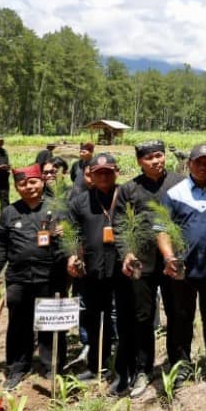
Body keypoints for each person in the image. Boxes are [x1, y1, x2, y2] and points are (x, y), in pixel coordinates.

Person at [0, 164, 67, 389]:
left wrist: (63, 237)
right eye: (23, 183)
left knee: (50, 323)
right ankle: (17, 367)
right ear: (16, 187)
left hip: (51, 277)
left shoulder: (57, 209)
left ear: (41, 182)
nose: (29, 187)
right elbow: (1, 246)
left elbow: (72, 242)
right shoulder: (10, 212)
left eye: (33, 182)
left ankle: (53, 367)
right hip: (19, 279)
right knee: (18, 325)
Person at [157, 144, 206, 388]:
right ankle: (183, 365)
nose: (203, 166)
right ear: (189, 163)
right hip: (183, 269)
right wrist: (169, 257)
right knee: (181, 317)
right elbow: (162, 230)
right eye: (198, 162)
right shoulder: (175, 193)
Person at [113, 140, 183, 398]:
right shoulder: (129, 189)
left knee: (177, 312)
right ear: (139, 162)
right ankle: (143, 368)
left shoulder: (179, 182)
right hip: (142, 262)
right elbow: (119, 224)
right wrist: (126, 252)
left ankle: (177, 364)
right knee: (143, 316)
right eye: (149, 158)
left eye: (159, 156)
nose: (156, 161)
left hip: (172, 258)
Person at [65, 153, 122, 382]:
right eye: (99, 173)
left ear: (116, 172)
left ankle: (123, 366)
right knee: (93, 317)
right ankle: (96, 364)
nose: (104, 176)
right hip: (92, 270)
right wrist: (72, 257)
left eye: (108, 171)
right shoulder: (80, 202)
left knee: (121, 318)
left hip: (121, 270)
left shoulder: (126, 197)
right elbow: (73, 234)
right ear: (90, 175)